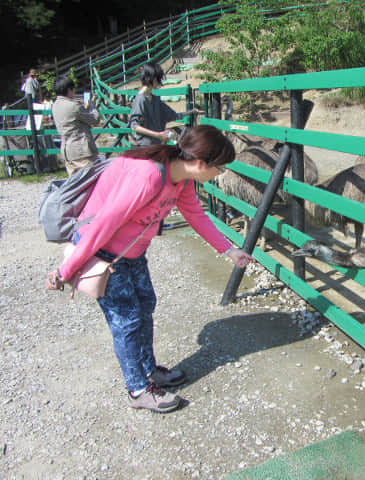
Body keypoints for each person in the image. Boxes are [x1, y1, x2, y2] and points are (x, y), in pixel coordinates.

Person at [45, 125, 254, 413]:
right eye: (219, 168)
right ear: (200, 163)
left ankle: (148, 370)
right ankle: (138, 389)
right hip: (105, 253)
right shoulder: (148, 177)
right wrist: (67, 270)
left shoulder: (181, 179)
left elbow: (195, 214)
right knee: (127, 320)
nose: (219, 175)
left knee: (145, 305)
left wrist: (228, 250)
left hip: (132, 252)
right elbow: (102, 225)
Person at [130, 62, 199, 146]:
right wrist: (158, 135)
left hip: (157, 145)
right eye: (158, 78)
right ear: (153, 78)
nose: (160, 82)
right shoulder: (140, 99)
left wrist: (192, 111)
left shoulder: (155, 99)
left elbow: (174, 115)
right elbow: (135, 126)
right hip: (145, 147)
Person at [51, 75, 101, 175]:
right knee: (90, 182)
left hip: (67, 151)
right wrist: (92, 106)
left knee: (75, 185)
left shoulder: (55, 105)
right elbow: (95, 120)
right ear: (69, 89)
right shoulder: (74, 106)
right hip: (82, 151)